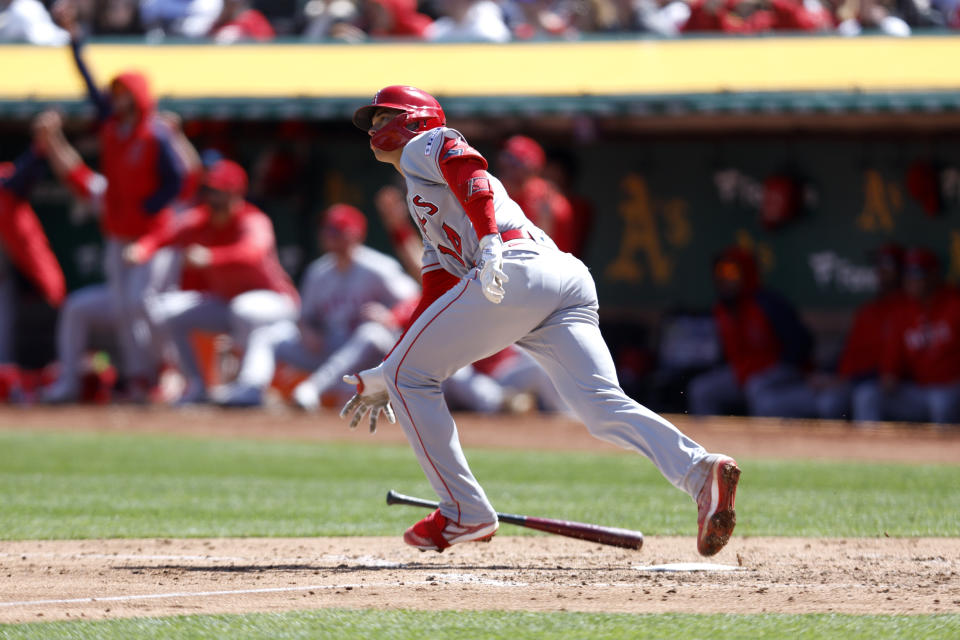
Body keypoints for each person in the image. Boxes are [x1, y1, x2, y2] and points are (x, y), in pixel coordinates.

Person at [340, 85, 740, 556]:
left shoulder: (424, 143)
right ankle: (700, 472)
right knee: (600, 408)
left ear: (414, 118)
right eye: (370, 121)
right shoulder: (422, 200)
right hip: (558, 278)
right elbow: (434, 293)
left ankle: (462, 510)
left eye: (382, 116)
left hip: (514, 264)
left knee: (413, 377)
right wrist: (390, 367)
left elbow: (465, 163)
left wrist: (487, 240)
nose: (373, 128)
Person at [51, 4, 188, 397]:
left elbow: (175, 180)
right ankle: (137, 375)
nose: (119, 100)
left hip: (150, 233)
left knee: (140, 303)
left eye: (125, 94)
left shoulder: (155, 133)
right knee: (124, 305)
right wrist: (74, 38)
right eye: (117, 94)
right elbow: (88, 84)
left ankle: (162, 368)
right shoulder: (113, 125)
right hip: (118, 230)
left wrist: (148, 207)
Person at [34, 109, 200, 403]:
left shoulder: (164, 202)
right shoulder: (118, 195)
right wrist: (54, 139)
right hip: (123, 304)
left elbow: (190, 175)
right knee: (78, 307)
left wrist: (175, 137)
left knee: (141, 302)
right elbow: (77, 175)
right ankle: (70, 384)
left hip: (165, 306)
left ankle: (169, 372)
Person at [125, 159, 299, 404]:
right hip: (227, 304)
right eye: (210, 190)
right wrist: (143, 249)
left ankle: (249, 387)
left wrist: (211, 258)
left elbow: (253, 252)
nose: (212, 197)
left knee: (245, 309)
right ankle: (197, 387)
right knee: (168, 313)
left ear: (235, 194)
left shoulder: (252, 220)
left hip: (275, 302)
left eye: (219, 192)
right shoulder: (200, 219)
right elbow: (166, 233)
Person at [216, 203, 419, 409]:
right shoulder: (318, 272)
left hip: (368, 354)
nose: (327, 234)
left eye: (335, 230)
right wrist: (306, 331)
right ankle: (251, 389)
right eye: (326, 229)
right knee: (268, 335)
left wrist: (390, 317)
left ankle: (311, 390)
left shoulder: (378, 268)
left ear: (355, 234)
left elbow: (415, 299)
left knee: (372, 333)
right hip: (329, 344)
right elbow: (304, 317)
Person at [687, 246, 815, 418]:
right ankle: (710, 442)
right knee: (701, 389)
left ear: (745, 273)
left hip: (778, 370)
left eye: (731, 273)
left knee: (756, 387)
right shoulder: (721, 309)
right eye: (721, 273)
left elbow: (801, 345)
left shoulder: (768, 304)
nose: (725, 279)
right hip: (742, 372)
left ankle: (760, 443)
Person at [852, 248, 960, 424]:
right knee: (867, 395)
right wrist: (889, 377)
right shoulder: (900, 311)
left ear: (933, 274)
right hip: (918, 391)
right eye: (907, 274)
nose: (911, 280)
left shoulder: (955, 304)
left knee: (941, 402)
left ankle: (943, 452)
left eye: (917, 273)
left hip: (951, 389)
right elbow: (891, 365)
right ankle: (869, 449)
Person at [812, 244, 906, 419]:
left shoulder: (907, 309)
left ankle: (869, 447)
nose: (882, 271)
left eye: (888, 265)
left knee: (865, 396)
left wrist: (850, 379)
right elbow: (848, 351)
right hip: (852, 380)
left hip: (880, 383)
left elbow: (899, 363)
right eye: (879, 265)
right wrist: (828, 373)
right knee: (829, 402)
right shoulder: (868, 311)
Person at [0, 140, 67, 365]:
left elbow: (21, 177)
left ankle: (7, 375)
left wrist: (40, 147)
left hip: (9, 273)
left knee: (5, 326)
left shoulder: (6, 183)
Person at [497, 135, 576, 255]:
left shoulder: (550, 200)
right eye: (505, 160)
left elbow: (552, 253)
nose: (508, 169)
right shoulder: (495, 193)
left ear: (533, 169)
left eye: (515, 164)